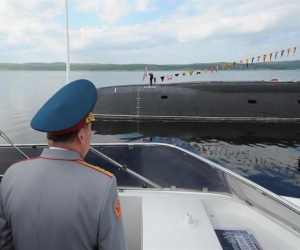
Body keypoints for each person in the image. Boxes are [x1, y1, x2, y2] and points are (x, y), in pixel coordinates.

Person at [0, 79, 127, 250]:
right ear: (81, 136)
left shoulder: (11, 175)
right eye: (90, 130)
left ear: (49, 136)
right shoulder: (103, 185)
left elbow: (5, 243)